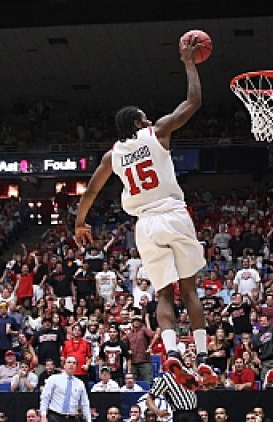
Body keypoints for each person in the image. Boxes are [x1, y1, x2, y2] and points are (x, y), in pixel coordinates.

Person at [73, 33, 216, 388]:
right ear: (139, 123)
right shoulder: (158, 132)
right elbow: (193, 102)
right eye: (145, 116)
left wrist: (79, 223)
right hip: (172, 213)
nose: (149, 118)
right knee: (191, 291)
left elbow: (91, 190)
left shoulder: (113, 156)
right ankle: (202, 359)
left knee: (164, 295)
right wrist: (188, 62)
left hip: (145, 225)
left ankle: (170, 356)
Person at [39, 357, 94, 422]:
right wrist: (43, 416)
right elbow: (45, 398)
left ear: (76, 366)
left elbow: (85, 404)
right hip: (55, 418)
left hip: (71, 420)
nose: (71, 364)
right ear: (64, 365)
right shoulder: (54, 379)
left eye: (74, 363)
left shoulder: (80, 383)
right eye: (69, 362)